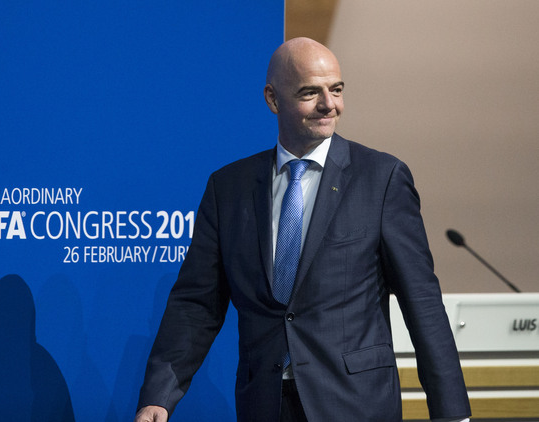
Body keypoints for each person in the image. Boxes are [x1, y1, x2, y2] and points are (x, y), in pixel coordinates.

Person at [134, 37, 471, 422]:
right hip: (265, 402)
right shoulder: (228, 188)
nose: (330, 105)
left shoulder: (382, 179)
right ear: (273, 99)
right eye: (311, 92)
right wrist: (158, 396)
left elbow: (421, 300)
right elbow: (196, 304)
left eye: (337, 90)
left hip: (355, 404)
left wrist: (450, 411)